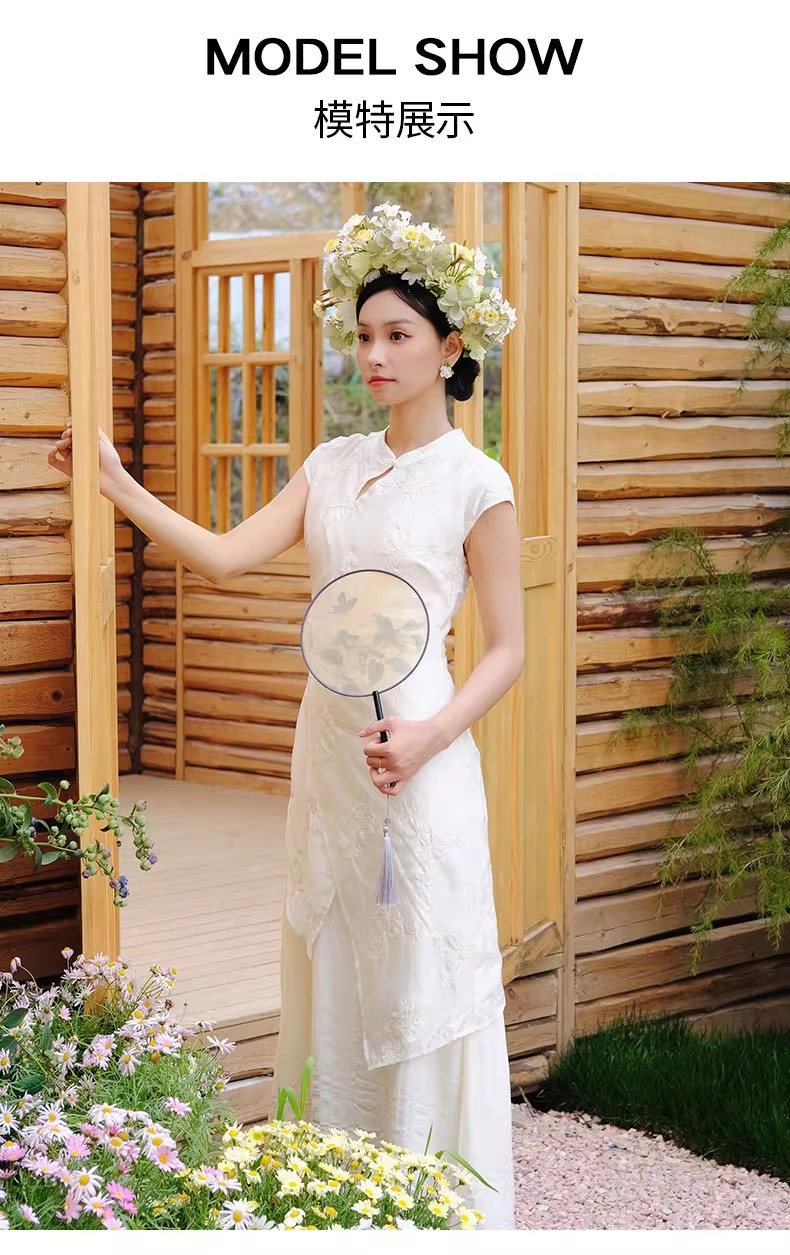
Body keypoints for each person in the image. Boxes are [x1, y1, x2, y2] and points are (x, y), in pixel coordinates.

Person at [50, 203, 523, 1229]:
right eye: (363, 334)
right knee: (334, 941)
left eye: (398, 334)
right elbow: (224, 556)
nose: (374, 354)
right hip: (330, 748)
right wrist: (116, 483)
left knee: (419, 952)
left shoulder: (477, 483)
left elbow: (506, 650)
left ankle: (433, 1205)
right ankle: (335, 1198)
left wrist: (431, 737)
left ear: (450, 348)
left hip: (422, 749)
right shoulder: (330, 465)